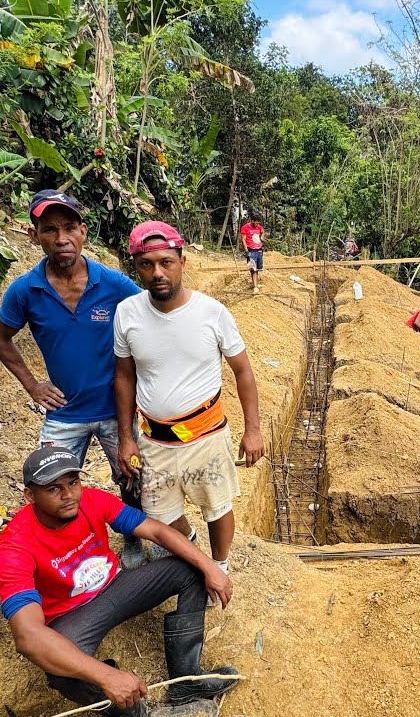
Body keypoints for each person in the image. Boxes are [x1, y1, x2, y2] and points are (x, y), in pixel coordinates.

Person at [0, 445, 239, 716]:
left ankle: (187, 681)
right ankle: (136, 713)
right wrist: (105, 676)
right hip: (72, 616)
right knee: (63, 674)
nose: (68, 495)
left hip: (117, 587)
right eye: (53, 489)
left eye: (73, 482)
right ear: (30, 495)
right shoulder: (13, 547)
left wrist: (210, 566)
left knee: (191, 567)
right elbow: (28, 636)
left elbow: (156, 531)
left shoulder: (91, 500)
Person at [0, 190, 146, 569]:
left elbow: (151, 319)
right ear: (34, 235)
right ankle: (65, 551)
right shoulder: (26, 290)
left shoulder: (114, 285)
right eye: (49, 229)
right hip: (64, 414)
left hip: (116, 411)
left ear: (83, 231)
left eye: (70, 228)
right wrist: (32, 385)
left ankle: (133, 541)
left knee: (132, 477)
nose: (62, 239)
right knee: (52, 487)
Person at [114, 221, 264, 585]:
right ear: (137, 267)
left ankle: (221, 564)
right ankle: (191, 545)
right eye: (147, 264)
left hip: (206, 435)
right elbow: (124, 376)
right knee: (160, 514)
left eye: (166, 261)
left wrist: (253, 430)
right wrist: (125, 437)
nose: (157, 272)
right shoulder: (127, 313)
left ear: (181, 260)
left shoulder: (212, 314)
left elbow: (243, 371)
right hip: (154, 440)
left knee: (218, 505)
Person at [239, 220, 264, 294]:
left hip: (259, 251)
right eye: (256, 222)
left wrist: (262, 238)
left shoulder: (259, 227)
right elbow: (243, 240)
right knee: (253, 269)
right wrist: (246, 251)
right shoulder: (245, 227)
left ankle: (255, 284)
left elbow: (262, 231)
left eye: (258, 223)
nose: (257, 224)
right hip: (251, 251)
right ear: (252, 221)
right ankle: (255, 287)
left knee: (257, 269)